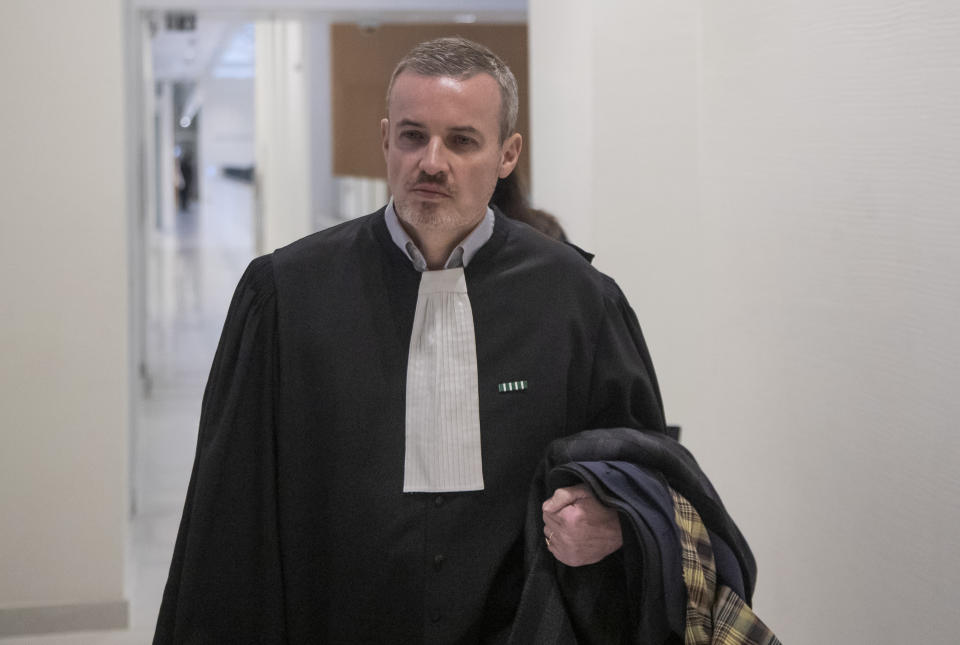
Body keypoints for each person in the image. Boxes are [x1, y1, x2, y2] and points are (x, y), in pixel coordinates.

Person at [154, 37, 666, 644]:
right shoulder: (285, 296)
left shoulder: (579, 301)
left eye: (462, 140)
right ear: (385, 140)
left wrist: (616, 518)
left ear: (507, 155)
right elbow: (229, 511)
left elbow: (642, 471)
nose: (431, 161)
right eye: (412, 135)